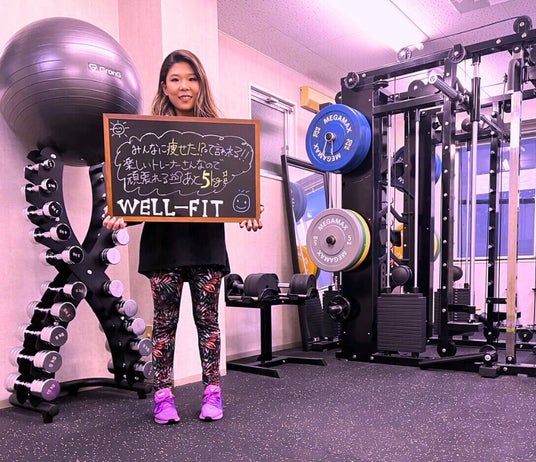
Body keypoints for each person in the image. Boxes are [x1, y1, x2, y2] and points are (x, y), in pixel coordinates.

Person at [103, 49, 263, 425]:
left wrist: (250, 209)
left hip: (207, 246)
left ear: (200, 83)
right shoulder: (148, 139)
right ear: (165, 86)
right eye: (175, 79)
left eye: (191, 78)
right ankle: (163, 398)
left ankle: (212, 393)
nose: (184, 86)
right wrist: (122, 214)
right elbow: (140, 194)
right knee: (164, 325)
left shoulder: (221, 137)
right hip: (163, 247)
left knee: (208, 324)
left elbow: (237, 193)